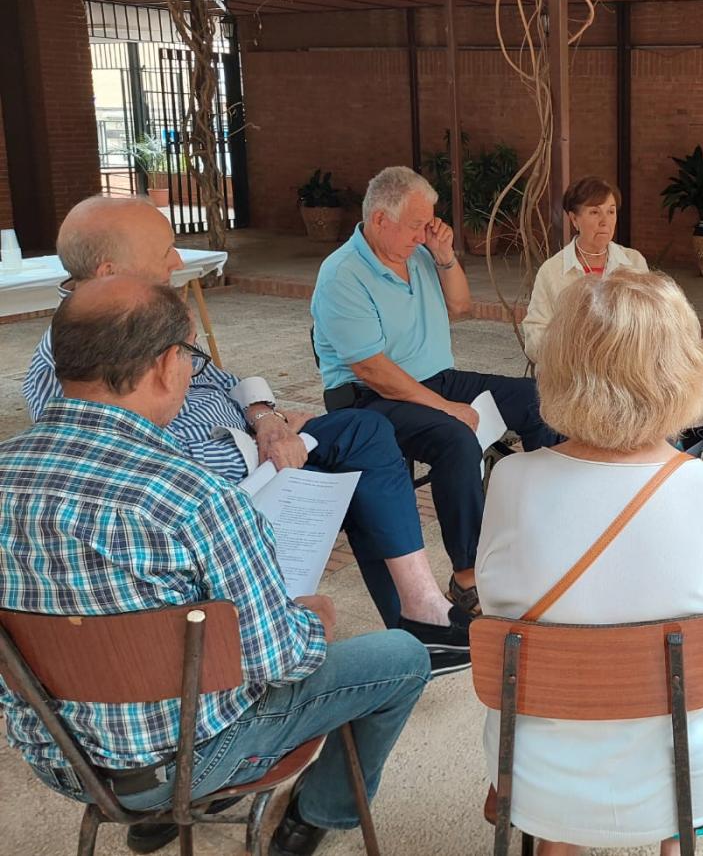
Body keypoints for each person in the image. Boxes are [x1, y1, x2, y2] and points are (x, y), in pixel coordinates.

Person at [0, 277, 429, 856]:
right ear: (165, 366)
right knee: (402, 657)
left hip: (60, 759)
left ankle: (164, 812)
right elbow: (281, 661)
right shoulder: (196, 498)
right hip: (193, 757)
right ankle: (316, 812)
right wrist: (314, 620)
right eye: (190, 355)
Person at [23, 196, 470, 677]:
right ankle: (414, 628)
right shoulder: (78, 360)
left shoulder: (143, 317)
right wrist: (262, 451)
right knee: (363, 473)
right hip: (232, 491)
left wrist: (267, 420)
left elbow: (222, 378)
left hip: (257, 446)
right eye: (165, 251)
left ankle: (420, 610)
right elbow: (144, 479)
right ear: (110, 272)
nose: (177, 262)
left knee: (364, 431)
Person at [477, 271, 703, 855]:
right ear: (683, 368)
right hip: (689, 773)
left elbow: (497, 605)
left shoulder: (511, 480)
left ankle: (561, 837)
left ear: (560, 366)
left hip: (539, 773)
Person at [311, 166, 559, 619]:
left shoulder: (418, 254)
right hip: (369, 398)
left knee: (539, 399)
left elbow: (461, 307)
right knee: (455, 438)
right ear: (380, 219)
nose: (424, 233)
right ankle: (467, 575)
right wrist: (447, 408)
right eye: (416, 224)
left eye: (429, 223)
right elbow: (372, 370)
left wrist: (443, 256)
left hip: (436, 379)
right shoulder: (342, 274)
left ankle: (550, 526)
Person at [521, 175, 648, 362]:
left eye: (611, 211)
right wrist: (574, 353)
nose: (605, 221)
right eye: (595, 212)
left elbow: (649, 324)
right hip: (570, 371)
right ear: (574, 219)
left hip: (624, 369)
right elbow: (535, 337)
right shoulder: (552, 271)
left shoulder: (634, 263)